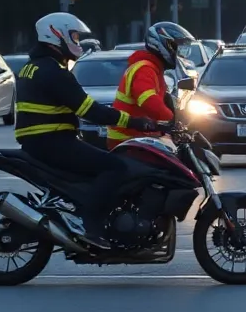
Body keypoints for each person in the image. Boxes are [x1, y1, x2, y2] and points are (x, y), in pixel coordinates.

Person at [14, 12, 161, 246]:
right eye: (73, 36)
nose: (77, 41)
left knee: (102, 163)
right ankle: (90, 225)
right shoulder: (53, 72)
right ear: (56, 35)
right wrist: (134, 121)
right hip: (52, 142)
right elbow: (90, 110)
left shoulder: (32, 67)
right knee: (115, 167)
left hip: (41, 141)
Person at [107, 21, 193, 149]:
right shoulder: (145, 68)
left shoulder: (154, 69)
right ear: (163, 44)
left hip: (141, 136)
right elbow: (148, 100)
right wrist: (170, 120)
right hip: (127, 139)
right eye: (176, 47)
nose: (179, 54)